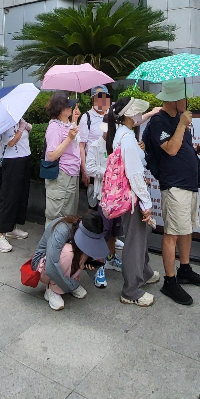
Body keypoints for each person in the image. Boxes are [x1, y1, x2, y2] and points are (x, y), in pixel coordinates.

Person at [142, 78, 200, 305]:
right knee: (172, 232)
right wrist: (181, 125)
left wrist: (196, 150)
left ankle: (185, 268)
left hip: (189, 182)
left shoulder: (178, 118)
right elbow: (170, 149)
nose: (187, 101)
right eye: (184, 98)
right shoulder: (159, 121)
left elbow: (181, 146)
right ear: (174, 99)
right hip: (173, 184)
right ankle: (170, 281)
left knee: (186, 229)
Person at [104, 96, 159, 306]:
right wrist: (146, 204)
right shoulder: (127, 138)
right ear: (128, 114)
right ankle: (131, 290)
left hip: (130, 197)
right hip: (134, 198)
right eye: (137, 111)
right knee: (135, 241)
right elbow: (135, 174)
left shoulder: (122, 133)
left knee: (140, 236)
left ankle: (144, 272)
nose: (139, 115)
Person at [80, 85, 123, 286]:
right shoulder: (96, 145)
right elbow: (90, 167)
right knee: (102, 230)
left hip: (117, 195)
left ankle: (111, 258)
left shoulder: (118, 144)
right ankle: (98, 266)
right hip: (102, 194)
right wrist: (107, 173)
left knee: (114, 230)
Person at [30, 211, 108, 310]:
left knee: (84, 251)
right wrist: (71, 285)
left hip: (59, 262)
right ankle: (53, 289)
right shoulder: (62, 229)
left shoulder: (82, 227)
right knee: (68, 251)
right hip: (43, 265)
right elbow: (51, 265)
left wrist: (90, 263)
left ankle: (67, 283)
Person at [0, 118, 33, 252]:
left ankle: (11, 227)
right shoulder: (3, 122)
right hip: (11, 161)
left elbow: (24, 135)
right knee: (8, 197)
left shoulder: (19, 119)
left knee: (21, 196)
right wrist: (21, 129)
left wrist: (26, 127)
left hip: (24, 158)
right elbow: (11, 142)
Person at [44, 92, 83, 225]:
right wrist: (69, 138)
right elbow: (51, 155)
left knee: (69, 215)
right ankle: (53, 238)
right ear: (60, 109)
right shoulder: (54, 127)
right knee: (57, 215)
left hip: (71, 173)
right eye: (68, 106)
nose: (71, 108)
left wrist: (74, 120)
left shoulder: (66, 124)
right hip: (61, 175)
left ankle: (64, 238)